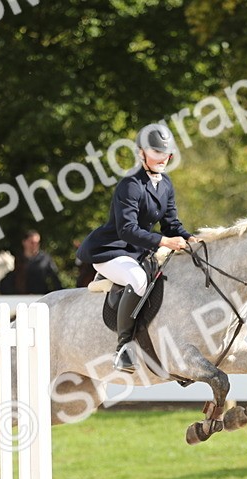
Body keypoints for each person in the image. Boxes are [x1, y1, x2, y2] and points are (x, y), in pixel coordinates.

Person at [76, 123, 197, 372]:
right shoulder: (130, 185)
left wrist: (190, 238)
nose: (163, 158)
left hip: (137, 251)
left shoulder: (165, 184)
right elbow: (127, 230)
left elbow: (171, 223)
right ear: (141, 153)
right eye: (156, 152)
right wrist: (164, 242)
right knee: (139, 279)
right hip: (110, 249)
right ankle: (123, 348)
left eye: (167, 153)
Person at [0, 230, 63, 294]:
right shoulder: (16, 259)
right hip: (21, 297)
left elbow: (55, 278)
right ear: (24, 242)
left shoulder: (45, 259)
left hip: (41, 296)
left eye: (37, 243)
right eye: (32, 243)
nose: (35, 245)